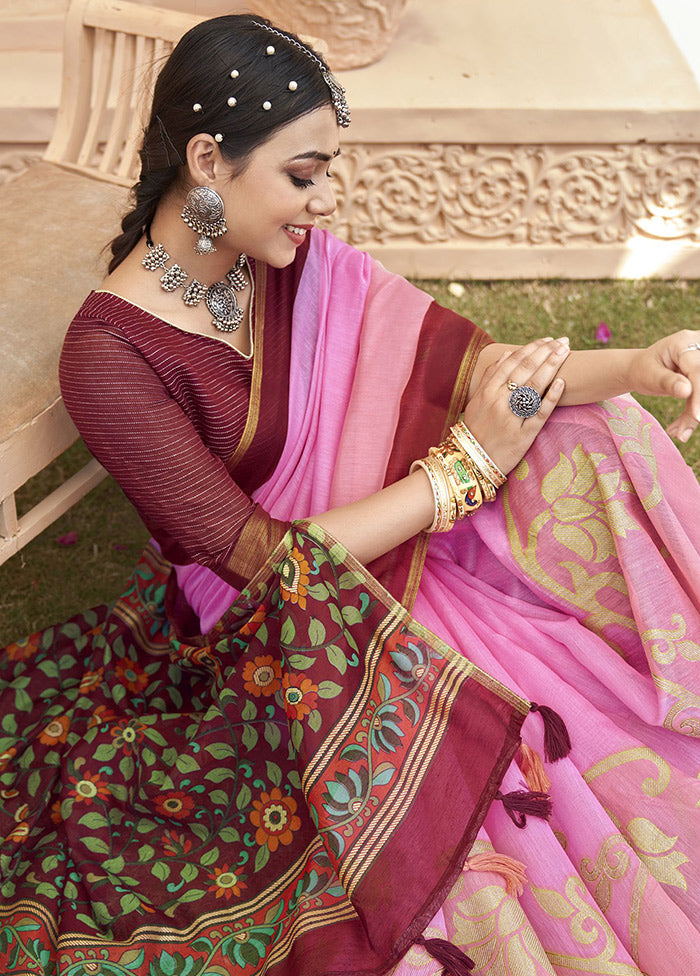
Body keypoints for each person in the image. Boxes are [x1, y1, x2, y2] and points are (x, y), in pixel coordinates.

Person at [1, 13, 699, 976]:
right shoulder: (114, 356)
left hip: (401, 527)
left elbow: (481, 375)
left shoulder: (293, 270)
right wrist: (459, 469)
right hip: (282, 628)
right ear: (209, 159)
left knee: (598, 425)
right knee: (483, 769)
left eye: (327, 171)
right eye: (301, 175)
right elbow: (264, 565)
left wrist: (638, 364)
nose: (324, 202)